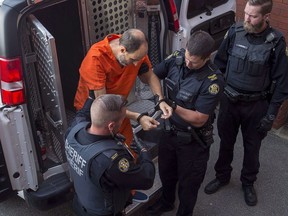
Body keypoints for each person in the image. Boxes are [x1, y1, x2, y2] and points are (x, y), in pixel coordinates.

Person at [204, 0, 288, 207]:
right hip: (229, 102)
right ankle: (222, 176)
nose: (247, 19)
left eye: (253, 16)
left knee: (252, 148)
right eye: (246, 13)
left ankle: (248, 183)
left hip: (256, 106)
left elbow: (282, 82)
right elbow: (219, 65)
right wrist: (213, 98)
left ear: (266, 16)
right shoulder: (235, 31)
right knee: (225, 142)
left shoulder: (277, 42)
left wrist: (271, 114)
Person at [146, 31, 225, 216]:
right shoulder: (177, 58)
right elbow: (153, 75)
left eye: (194, 61)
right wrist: (160, 99)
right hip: (169, 132)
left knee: (189, 184)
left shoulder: (213, 81)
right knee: (166, 173)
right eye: (188, 57)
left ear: (207, 58)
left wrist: (173, 106)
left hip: (192, 141)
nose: (188, 63)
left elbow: (200, 118)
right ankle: (166, 202)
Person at [74, 28, 172, 148]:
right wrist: (138, 117)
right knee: (106, 153)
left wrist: (160, 99)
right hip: (95, 116)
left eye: (139, 59)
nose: (136, 64)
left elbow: (149, 76)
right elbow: (104, 105)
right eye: (133, 60)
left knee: (127, 149)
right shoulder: (96, 58)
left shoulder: (136, 50)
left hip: (120, 110)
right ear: (122, 50)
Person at [65, 94, 156, 216]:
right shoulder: (110, 161)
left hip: (81, 203)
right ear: (111, 126)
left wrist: (94, 96)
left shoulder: (75, 128)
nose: (123, 121)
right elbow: (147, 178)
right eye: (123, 119)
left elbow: (83, 112)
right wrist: (144, 151)